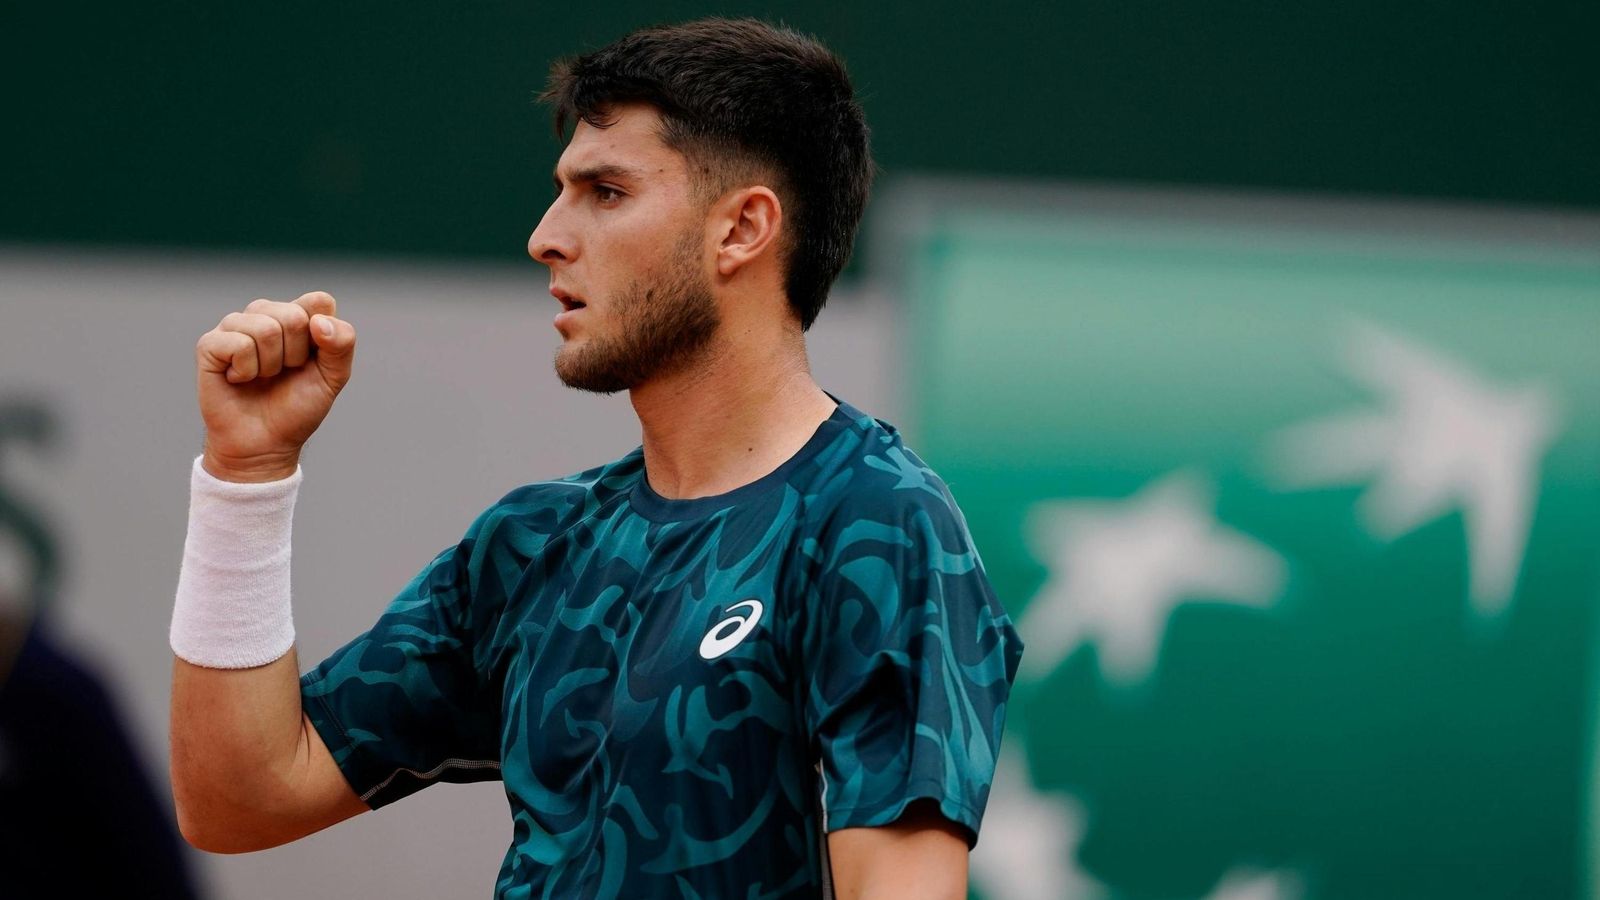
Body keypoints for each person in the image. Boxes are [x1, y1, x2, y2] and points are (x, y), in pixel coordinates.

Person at [169, 17, 1022, 899]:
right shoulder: (532, 543)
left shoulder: (875, 522)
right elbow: (239, 798)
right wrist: (247, 475)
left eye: (605, 192)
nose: (546, 235)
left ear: (742, 230)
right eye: (561, 191)